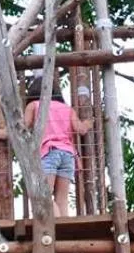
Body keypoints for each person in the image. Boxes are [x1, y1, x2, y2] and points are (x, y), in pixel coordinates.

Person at [24, 79, 94, 215]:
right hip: (68, 155)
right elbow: (81, 129)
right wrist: (88, 123)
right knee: (62, 199)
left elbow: (21, 127)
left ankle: (56, 226)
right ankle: (64, 230)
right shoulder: (68, 109)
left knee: (44, 195)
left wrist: (4, 133)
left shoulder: (34, 105)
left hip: (49, 152)